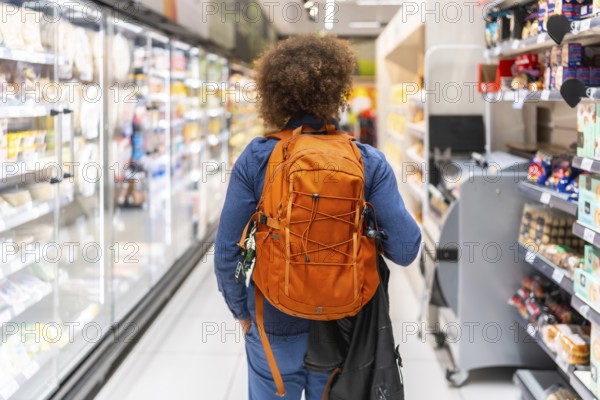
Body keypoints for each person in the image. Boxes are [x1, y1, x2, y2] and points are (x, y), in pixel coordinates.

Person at [215, 34, 421, 400]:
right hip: (342, 321)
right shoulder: (366, 160)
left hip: (273, 318)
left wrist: (241, 312)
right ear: (338, 92)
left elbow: (227, 252)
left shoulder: (257, 156)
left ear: (273, 95)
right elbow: (406, 249)